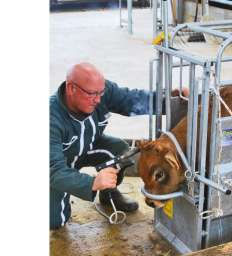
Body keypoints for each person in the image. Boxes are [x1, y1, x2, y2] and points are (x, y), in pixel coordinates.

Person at [50, 62, 188, 230]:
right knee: (55, 221)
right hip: (58, 165)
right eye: (92, 94)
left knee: (118, 150)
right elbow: (54, 171)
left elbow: (132, 100)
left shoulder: (99, 92)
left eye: (101, 93)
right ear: (71, 88)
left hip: (87, 146)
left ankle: (109, 195)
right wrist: (92, 183)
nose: (98, 99)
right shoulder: (51, 119)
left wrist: (169, 98)